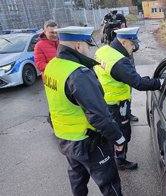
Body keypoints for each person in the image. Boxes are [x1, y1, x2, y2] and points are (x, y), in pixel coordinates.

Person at [43, 26, 125, 196]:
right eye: (88, 45)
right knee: (110, 184)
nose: (89, 49)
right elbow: (99, 116)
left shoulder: (52, 65)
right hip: (89, 142)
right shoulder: (78, 73)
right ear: (78, 46)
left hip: (66, 140)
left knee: (77, 180)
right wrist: (118, 137)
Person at [94, 27, 161, 170]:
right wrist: (160, 82)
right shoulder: (120, 61)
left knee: (110, 131)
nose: (134, 47)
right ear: (123, 42)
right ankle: (120, 160)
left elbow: (116, 76)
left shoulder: (103, 50)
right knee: (122, 134)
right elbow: (139, 84)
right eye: (132, 44)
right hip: (118, 104)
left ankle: (111, 157)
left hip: (104, 100)